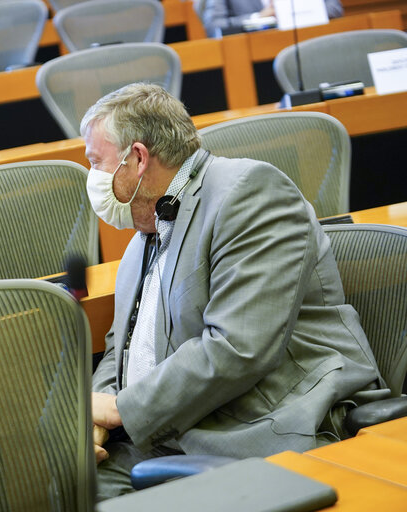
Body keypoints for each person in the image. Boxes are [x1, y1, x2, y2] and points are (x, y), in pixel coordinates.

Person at [82, 83, 388, 499]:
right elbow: (121, 343)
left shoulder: (248, 193)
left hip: (250, 428)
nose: (93, 178)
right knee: (52, 487)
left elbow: (238, 346)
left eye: (96, 162)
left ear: (137, 158)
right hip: (159, 433)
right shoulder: (144, 237)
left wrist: (119, 411)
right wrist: (99, 407)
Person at [200, 0, 343, 37]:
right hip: (258, 62)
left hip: (309, 38)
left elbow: (335, 8)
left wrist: (299, 10)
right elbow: (214, 26)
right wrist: (258, 17)